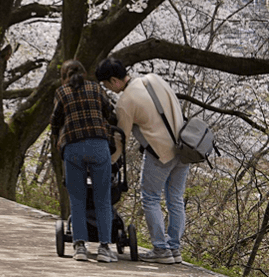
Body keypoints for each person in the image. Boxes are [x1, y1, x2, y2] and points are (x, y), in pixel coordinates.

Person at [96, 57, 188, 265]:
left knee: (151, 198)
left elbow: (122, 139)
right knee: (175, 199)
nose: (108, 89)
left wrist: (110, 161)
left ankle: (161, 249)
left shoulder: (125, 103)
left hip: (160, 154)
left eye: (106, 84)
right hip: (184, 148)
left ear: (114, 80)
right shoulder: (153, 79)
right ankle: (174, 248)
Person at [52, 59, 118, 264]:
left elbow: (55, 122)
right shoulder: (96, 89)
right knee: (102, 198)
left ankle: (80, 246)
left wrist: (58, 142)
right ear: (84, 72)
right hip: (99, 146)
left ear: (64, 77)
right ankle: (105, 248)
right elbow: (110, 114)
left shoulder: (62, 92)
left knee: (77, 198)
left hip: (73, 147)